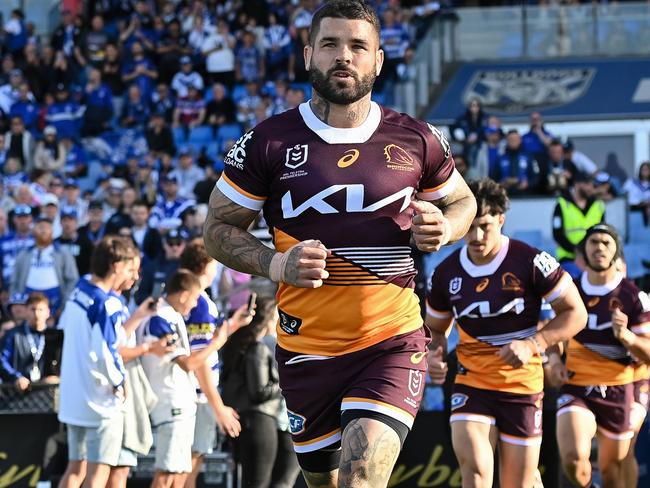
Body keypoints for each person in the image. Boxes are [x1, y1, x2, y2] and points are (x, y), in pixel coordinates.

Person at [202, 2, 477, 486]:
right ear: (309, 54)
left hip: (390, 341)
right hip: (305, 351)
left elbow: (463, 202)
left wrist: (447, 228)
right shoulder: (267, 142)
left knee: (359, 477)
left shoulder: (417, 139)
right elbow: (217, 230)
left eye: (357, 46)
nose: (343, 56)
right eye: (330, 44)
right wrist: (277, 263)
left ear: (379, 59)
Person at [425, 178, 586, 488]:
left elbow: (576, 313)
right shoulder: (445, 273)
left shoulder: (530, 261)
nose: (476, 236)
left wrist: (534, 343)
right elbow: (434, 329)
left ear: (501, 219)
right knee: (474, 476)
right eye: (470, 227)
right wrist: (434, 354)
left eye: (484, 225)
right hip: (472, 380)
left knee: (520, 482)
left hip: (521, 383)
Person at [548, 224, 650, 488]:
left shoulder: (633, 296)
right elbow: (551, 333)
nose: (600, 247)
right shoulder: (569, 291)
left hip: (622, 387)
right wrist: (555, 359)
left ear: (616, 252)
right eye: (594, 242)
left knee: (612, 471)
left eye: (606, 242)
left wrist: (626, 336)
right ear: (583, 251)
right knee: (572, 459)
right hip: (577, 385)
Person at [57, 236, 154, 488]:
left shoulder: (79, 290)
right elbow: (105, 352)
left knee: (75, 470)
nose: (131, 275)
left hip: (74, 396)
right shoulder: (106, 303)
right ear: (116, 265)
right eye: (130, 268)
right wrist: (119, 382)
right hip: (100, 401)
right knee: (98, 475)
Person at [138, 269, 224, 488]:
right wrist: (216, 342)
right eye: (195, 298)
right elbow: (188, 363)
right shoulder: (160, 318)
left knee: (178, 473)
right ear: (184, 295)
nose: (195, 305)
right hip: (170, 403)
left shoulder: (170, 315)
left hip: (180, 403)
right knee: (166, 474)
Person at [178, 240, 246, 488]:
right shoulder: (201, 302)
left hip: (185, 393)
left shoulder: (179, 293)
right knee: (187, 472)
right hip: (197, 397)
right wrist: (218, 408)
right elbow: (201, 361)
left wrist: (233, 326)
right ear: (205, 265)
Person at [221, 297, 300, 488]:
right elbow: (259, 391)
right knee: (263, 482)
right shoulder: (258, 348)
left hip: (257, 420)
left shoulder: (244, 346)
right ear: (269, 319)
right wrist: (285, 383)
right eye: (276, 317)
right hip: (261, 420)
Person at [11, 216, 79, 315]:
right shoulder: (24, 254)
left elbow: (72, 279)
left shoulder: (63, 253)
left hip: (55, 299)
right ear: (34, 230)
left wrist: (64, 304)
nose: (44, 231)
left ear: (52, 231)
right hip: (28, 299)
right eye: (40, 227)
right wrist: (16, 301)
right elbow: (14, 281)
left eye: (47, 228)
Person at [552, 172, 606, 278]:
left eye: (592, 185)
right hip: (568, 257)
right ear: (577, 185)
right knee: (576, 278)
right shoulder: (562, 204)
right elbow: (557, 234)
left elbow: (603, 232)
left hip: (593, 257)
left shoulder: (598, 205)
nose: (591, 188)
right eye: (587, 184)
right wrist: (577, 251)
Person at [0, 292, 55, 391]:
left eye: (40, 309)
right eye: (33, 309)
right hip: (17, 395)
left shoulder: (56, 336)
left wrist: (57, 377)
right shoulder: (13, 335)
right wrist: (16, 378)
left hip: (48, 394)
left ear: (48, 312)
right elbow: (2, 360)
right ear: (26, 311)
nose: (36, 314)